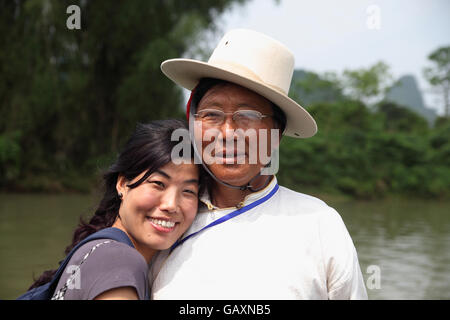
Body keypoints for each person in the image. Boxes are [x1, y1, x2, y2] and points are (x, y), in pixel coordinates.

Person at [150, 29, 368, 299]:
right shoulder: (164, 217)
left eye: (248, 115)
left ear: (276, 133)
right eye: (212, 114)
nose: (228, 133)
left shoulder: (320, 225)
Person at [27, 120, 203, 300]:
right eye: (158, 184)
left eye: (188, 191)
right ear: (122, 184)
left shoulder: (99, 250)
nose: (171, 204)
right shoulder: (119, 261)